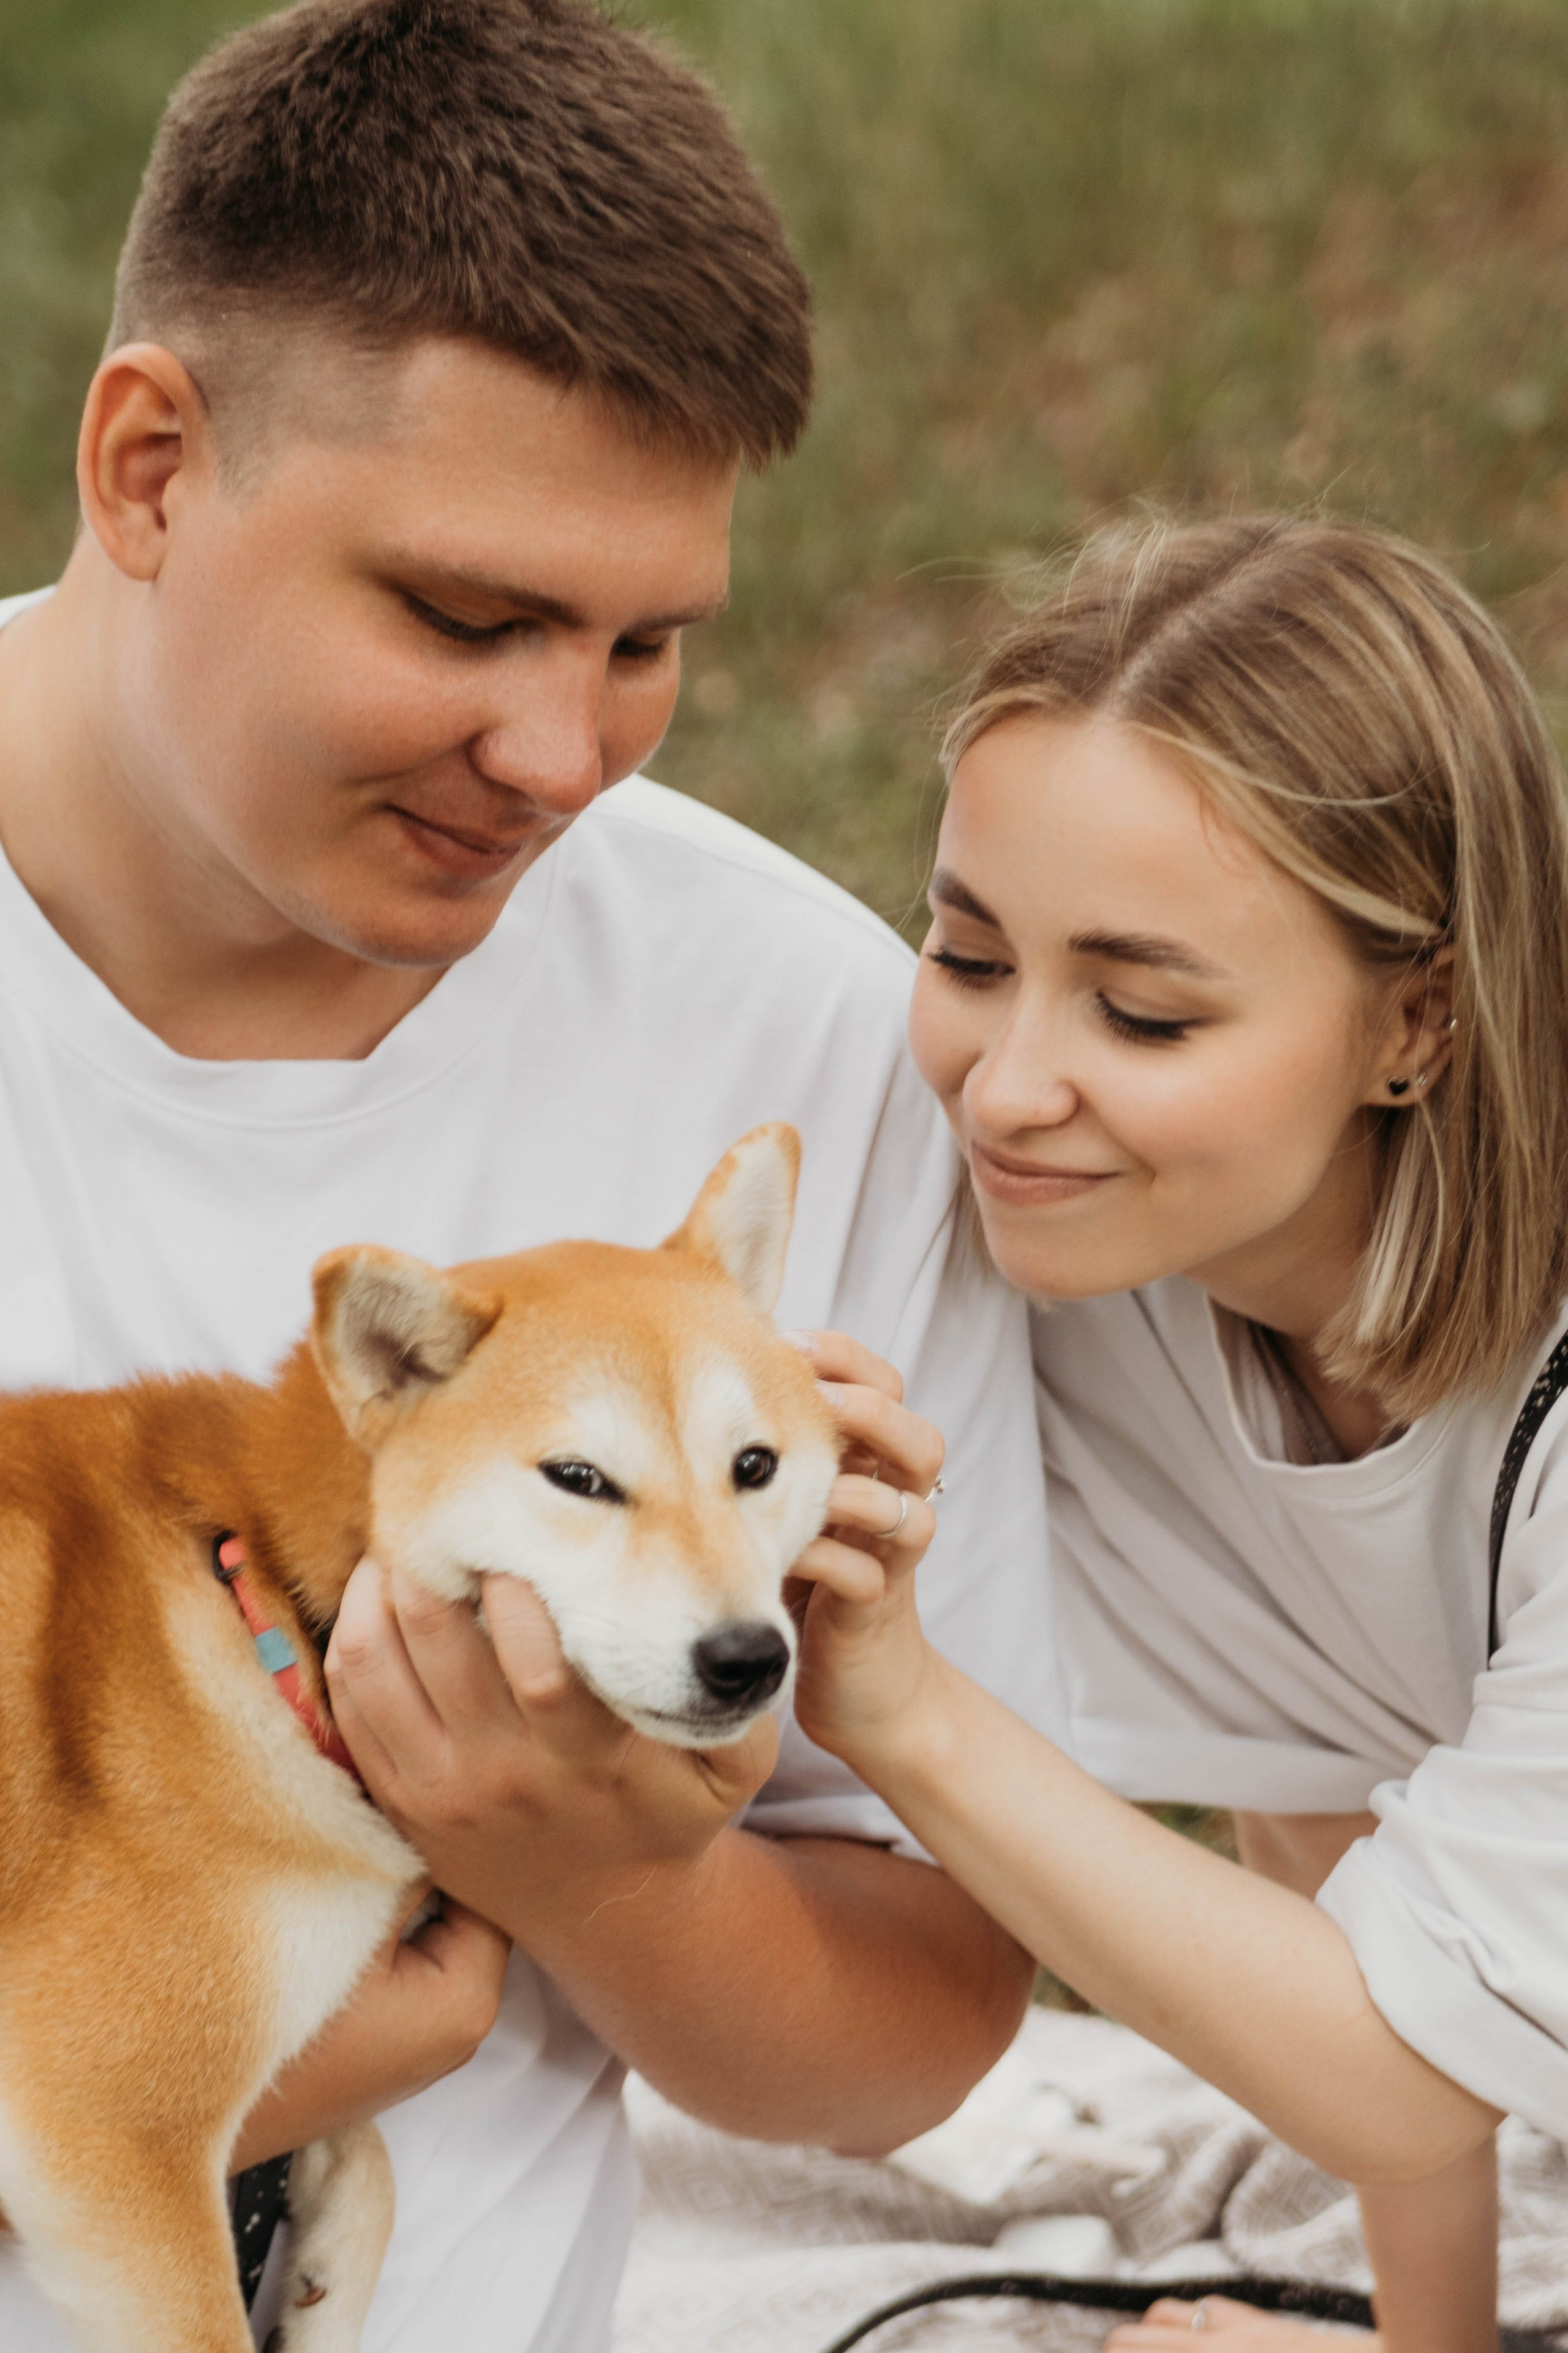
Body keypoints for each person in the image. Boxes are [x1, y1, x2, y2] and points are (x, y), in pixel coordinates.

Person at [0, 2, 1057, 2346]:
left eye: (647, 640)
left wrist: (608, 1880)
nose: (564, 756)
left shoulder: (792, 1026)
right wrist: (197, 2072)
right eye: (466, 619)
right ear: (151, 469)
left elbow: (915, 2026)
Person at [786, 515, 1568, 2353]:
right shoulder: (1131, 1260)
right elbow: (1327, 1857)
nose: (1009, 1088)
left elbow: (1396, 2070)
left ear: (1418, 1020)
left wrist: (909, 1713)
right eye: (970, 955)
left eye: (1141, 1013)